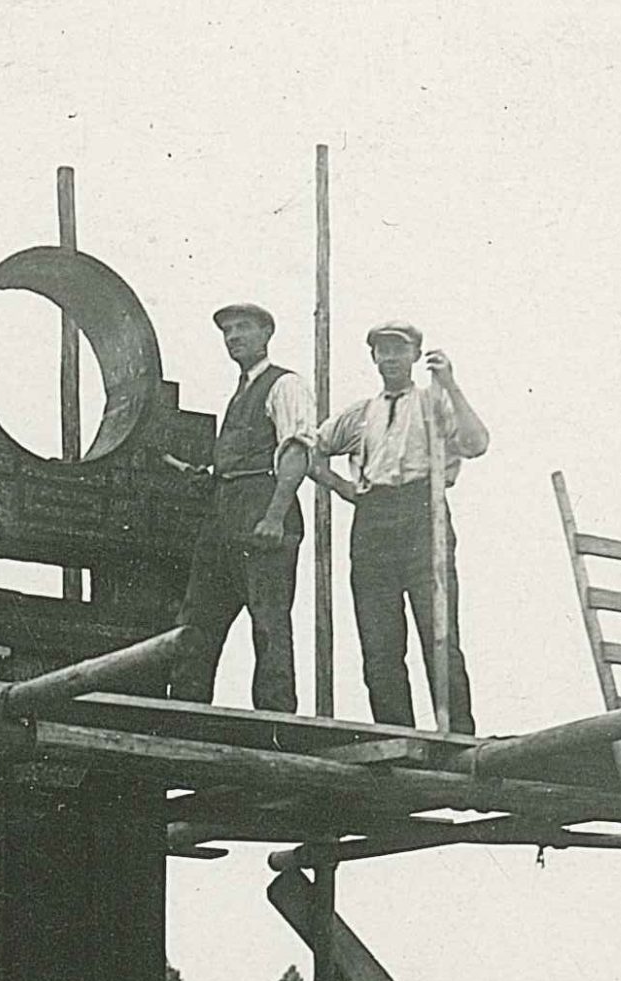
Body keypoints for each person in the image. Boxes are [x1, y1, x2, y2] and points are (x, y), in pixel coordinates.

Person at [311, 323, 489, 732]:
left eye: (398, 350)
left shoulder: (433, 402)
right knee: (379, 641)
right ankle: (395, 733)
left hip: (423, 515)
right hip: (373, 520)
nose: (390, 358)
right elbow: (309, 450)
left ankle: (456, 733)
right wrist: (343, 488)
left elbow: (476, 443)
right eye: (382, 351)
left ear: (415, 355)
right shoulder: (361, 414)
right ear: (373, 358)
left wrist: (450, 382)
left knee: (439, 632)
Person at [164, 304, 314, 714]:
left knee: (268, 624)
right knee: (197, 621)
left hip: (261, 516)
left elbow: (296, 452)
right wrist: (209, 474)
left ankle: (275, 724)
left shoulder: (285, 385)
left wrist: (274, 516)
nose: (233, 336)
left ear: (267, 332)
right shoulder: (239, 392)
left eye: (243, 327)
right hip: (223, 517)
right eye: (227, 331)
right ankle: (186, 715)